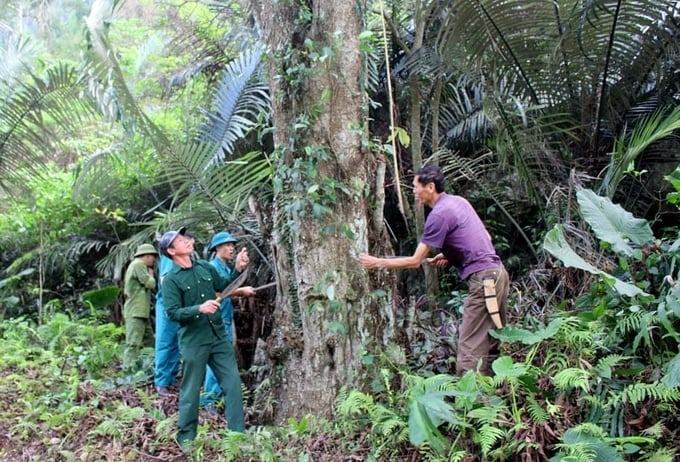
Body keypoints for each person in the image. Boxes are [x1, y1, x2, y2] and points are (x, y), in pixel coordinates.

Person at [359, 165, 510, 376]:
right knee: (490, 340)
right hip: (498, 275)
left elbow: (414, 261)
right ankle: (494, 399)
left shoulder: (438, 215)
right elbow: (486, 237)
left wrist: (377, 263)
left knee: (469, 348)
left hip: (485, 280)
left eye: (415, 186)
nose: (413, 191)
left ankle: (471, 404)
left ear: (430, 187)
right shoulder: (458, 202)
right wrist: (450, 255)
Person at [159, 226, 248, 449]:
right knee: (190, 390)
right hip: (194, 341)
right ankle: (186, 439)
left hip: (218, 336)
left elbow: (225, 287)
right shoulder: (170, 280)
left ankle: (237, 437)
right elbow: (172, 313)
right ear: (171, 251)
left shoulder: (205, 268)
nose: (189, 241)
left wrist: (238, 269)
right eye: (181, 240)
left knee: (233, 385)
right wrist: (199, 308)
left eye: (188, 238)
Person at [201, 231, 255, 409]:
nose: (230, 248)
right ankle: (209, 402)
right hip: (216, 322)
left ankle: (216, 400)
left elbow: (228, 284)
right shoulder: (213, 267)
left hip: (224, 319)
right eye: (226, 245)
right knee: (217, 361)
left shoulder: (224, 268)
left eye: (232, 245)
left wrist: (238, 268)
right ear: (216, 248)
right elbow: (218, 293)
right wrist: (241, 291)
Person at [154, 231, 196, 397]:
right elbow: (166, 282)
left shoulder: (188, 261)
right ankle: (161, 382)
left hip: (181, 306)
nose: (190, 244)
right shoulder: (169, 259)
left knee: (176, 343)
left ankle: (170, 378)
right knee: (165, 342)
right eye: (187, 241)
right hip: (168, 305)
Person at [122, 243, 158, 371]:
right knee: (133, 343)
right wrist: (151, 276)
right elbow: (150, 284)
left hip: (141, 311)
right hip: (135, 311)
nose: (154, 260)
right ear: (147, 256)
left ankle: (151, 366)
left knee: (149, 341)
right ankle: (128, 370)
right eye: (153, 257)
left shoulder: (136, 264)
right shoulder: (138, 264)